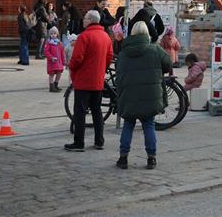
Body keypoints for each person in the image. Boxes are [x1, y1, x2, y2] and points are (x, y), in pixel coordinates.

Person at [115, 21, 173, 170]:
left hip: (129, 95)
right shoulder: (155, 50)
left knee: (128, 125)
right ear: (147, 33)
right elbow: (168, 64)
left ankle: (123, 158)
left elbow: (118, 73)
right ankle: (151, 158)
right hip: (150, 95)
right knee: (149, 125)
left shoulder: (123, 53)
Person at [65, 10, 114, 153]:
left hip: (83, 80)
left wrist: (71, 67)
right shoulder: (105, 36)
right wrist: (101, 68)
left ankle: (79, 143)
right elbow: (109, 56)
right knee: (96, 111)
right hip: (97, 80)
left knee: (80, 112)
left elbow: (77, 58)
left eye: (85, 18)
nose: (83, 20)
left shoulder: (84, 36)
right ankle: (99, 141)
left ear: (91, 20)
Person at [45, 27, 66, 92]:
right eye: (51, 33)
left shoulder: (59, 43)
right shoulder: (49, 43)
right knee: (51, 74)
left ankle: (55, 84)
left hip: (59, 62)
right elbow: (46, 52)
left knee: (59, 73)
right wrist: (51, 57)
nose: (53, 35)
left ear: (57, 34)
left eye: (54, 33)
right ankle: (51, 87)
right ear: (49, 35)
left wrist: (63, 61)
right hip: (52, 62)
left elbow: (62, 53)